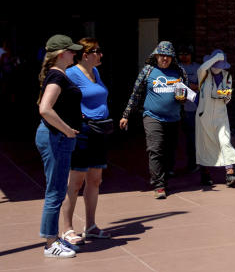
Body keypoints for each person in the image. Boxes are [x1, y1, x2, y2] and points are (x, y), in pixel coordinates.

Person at [61, 38, 112, 246]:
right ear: (86, 54)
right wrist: (74, 118)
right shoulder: (71, 73)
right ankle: (66, 228)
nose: (101, 55)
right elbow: (60, 97)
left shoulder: (95, 72)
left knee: (95, 179)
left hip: (99, 131)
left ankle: (90, 226)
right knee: (75, 181)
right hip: (82, 132)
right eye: (97, 51)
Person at [119, 41, 186, 199]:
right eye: (162, 55)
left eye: (168, 56)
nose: (165, 58)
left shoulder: (179, 71)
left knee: (169, 150)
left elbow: (185, 93)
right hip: (152, 116)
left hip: (173, 117)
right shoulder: (148, 71)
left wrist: (183, 98)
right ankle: (159, 185)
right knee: (155, 149)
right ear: (156, 56)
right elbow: (135, 94)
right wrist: (126, 115)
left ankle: (165, 173)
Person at [35, 34, 83, 258]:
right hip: (56, 138)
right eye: (72, 51)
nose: (75, 53)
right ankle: (50, 243)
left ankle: (53, 238)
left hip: (60, 138)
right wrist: (66, 129)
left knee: (57, 189)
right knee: (55, 190)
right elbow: (45, 109)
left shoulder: (60, 75)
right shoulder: (57, 76)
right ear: (61, 54)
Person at [195, 49, 235, 188]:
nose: (217, 69)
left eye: (220, 66)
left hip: (221, 115)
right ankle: (205, 174)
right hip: (204, 115)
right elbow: (202, 67)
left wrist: (226, 96)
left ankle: (230, 173)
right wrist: (215, 59)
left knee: (225, 141)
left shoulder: (227, 76)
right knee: (204, 145)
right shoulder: (203, 74)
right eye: (215, 65)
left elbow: (227, 98)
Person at [178, 45, 201, 173]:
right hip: (178, 107)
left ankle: (193, 163)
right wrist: (189, 85)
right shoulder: (177, 68)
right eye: (181, 54)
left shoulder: (197, 68)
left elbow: (202, 85)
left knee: (192, 137)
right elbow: (177, 84)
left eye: (186, 54)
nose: (184, 56)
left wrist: (190, 86)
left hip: (193, 107)